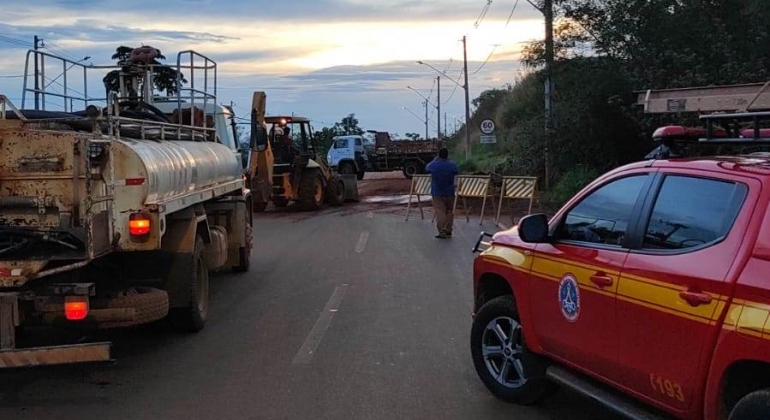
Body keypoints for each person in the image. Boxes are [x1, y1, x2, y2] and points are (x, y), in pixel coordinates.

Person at [426, 148, 458, 239]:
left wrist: (435, 159)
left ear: (439, 155)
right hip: (450, 191)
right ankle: (448, 230)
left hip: (437, 192)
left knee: (440, 211)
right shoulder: (452, 165)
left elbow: (427, 168)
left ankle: (442, 231)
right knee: (449, 211)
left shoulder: (434, 165)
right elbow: (456, 170)